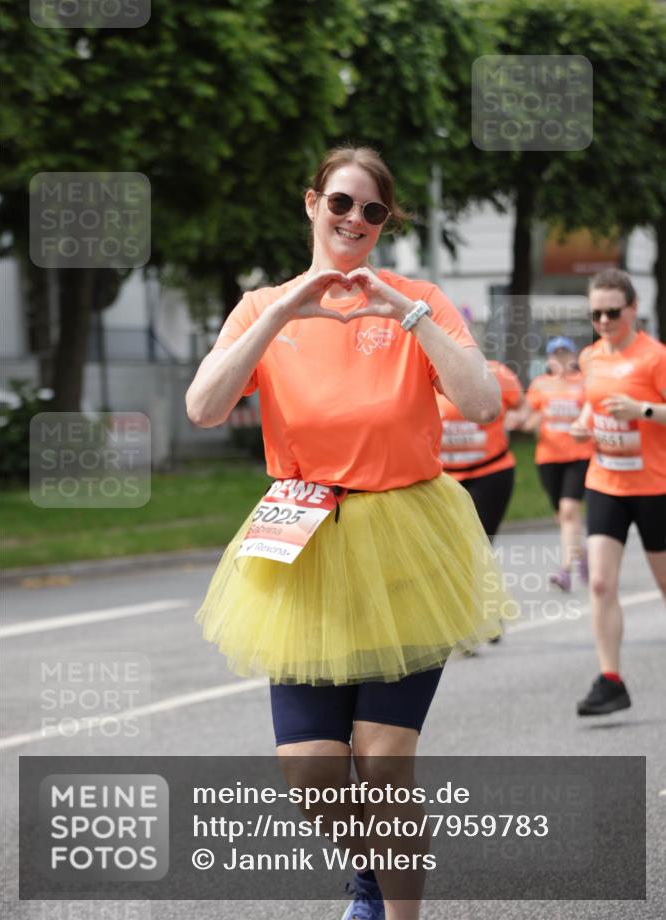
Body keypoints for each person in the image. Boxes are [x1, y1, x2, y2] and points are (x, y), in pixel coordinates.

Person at [187, 146, 510, 920]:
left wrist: (406, 315)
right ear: (311, 204)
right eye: (340, 203)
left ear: (384, 222)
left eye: (371, 210)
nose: (353, 220)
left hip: (403, 536)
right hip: (300, 544)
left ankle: (395, 912)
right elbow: (204, 407)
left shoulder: (417, 297)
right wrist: (277, 314)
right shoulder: (262, 306)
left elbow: (481, 404)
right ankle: (370, 873)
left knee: (383, 758)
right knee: (312, 779)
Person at [569, 269, 666, 716]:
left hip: (655, 486)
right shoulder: (590, 357)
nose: (604, 320)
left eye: (612, 312)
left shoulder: (655, 357)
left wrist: (641, 410)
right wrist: (585, 422)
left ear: (633, 309)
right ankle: (611, 680)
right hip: (606, 480)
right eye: (596, 313)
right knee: (602, 581)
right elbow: (593, 399)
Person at [521, 336, 592, 591]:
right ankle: (580, 553)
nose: (561, 360)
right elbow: (528, 420)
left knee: (569, 510)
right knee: (560, 515)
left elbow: (593, 415)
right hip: (549, 458)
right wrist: (531, 422)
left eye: (565, 355)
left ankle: (565, 569)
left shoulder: (583, 384)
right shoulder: (540, 385)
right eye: (556, 355)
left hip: (579, 455)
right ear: (548, 359)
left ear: (573, 358)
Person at [437, 358, 523, 543]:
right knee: (446, 543)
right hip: (443, 477)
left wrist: (518, 418)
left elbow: (524, 408)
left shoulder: (497, 372)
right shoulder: (425, 372)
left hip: (491, 471)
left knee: (480, 542)